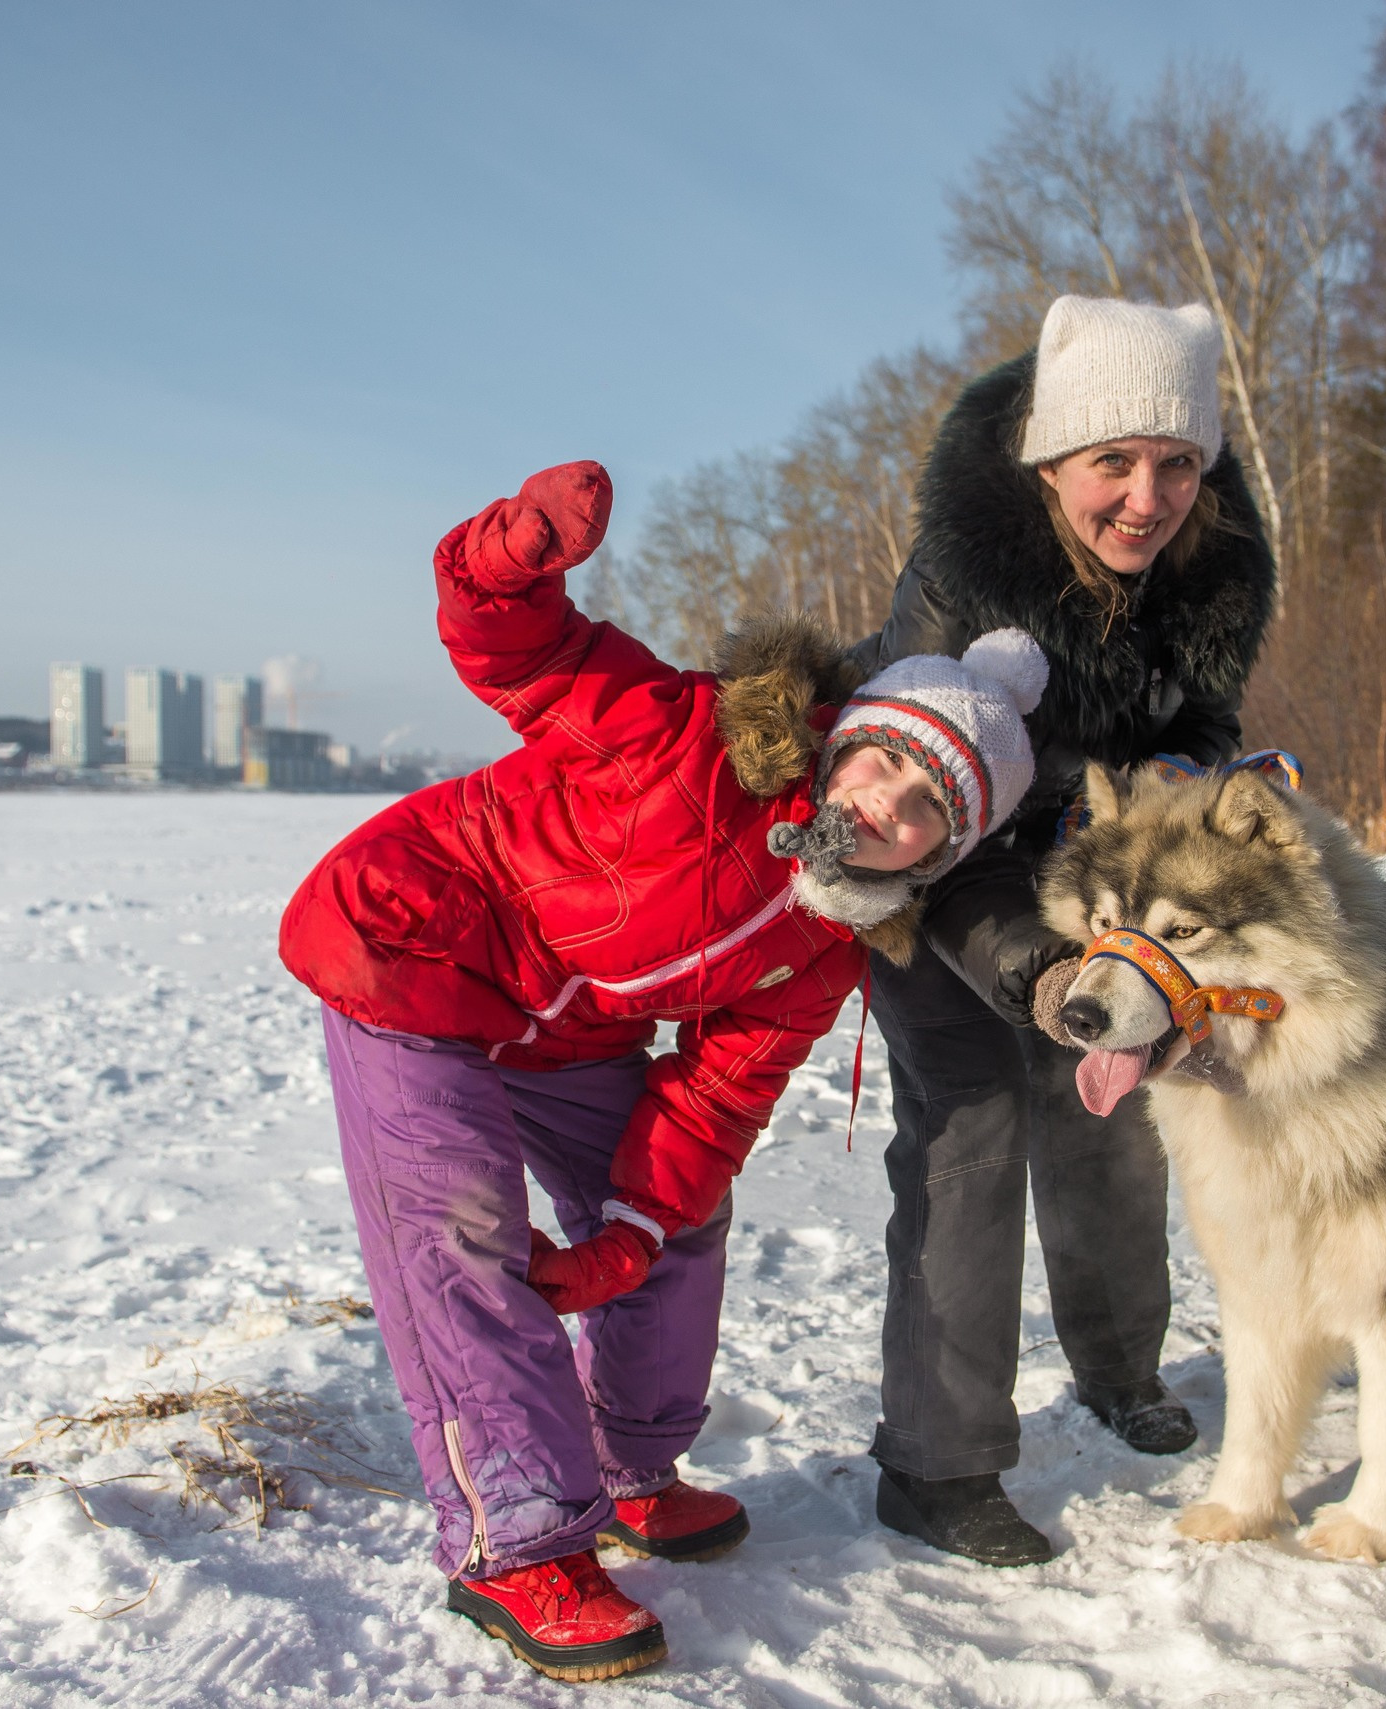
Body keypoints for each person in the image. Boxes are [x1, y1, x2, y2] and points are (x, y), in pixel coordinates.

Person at [278, 460, 1048, 1682]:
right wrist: (509, 554)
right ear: (842, 738)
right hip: (411, 950)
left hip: (564, 1030)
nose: (883, 805)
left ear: (940, 852)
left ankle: (631, 1463)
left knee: (675, 1217)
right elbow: (520, 652)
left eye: (924, 811)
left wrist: (623, 1237)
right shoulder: (680, 734)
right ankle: (519, 1538)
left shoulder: (825, 944)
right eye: (880, 763)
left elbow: (715, 1096)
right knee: (465, 1232)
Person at [845, 295, 1278, 1566]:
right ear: (1049, 463)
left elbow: (1199, 720)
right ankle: (936, 1464)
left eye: (1177, 464)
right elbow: (914, 821)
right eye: (1114, 465)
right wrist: (1034, 967)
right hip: (935, 877)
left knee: (1111, 1113)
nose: (1147, 498)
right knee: (970, 1137)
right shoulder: (960, 576)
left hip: (1096, 882)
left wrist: (1187, 802)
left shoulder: (1206, 567)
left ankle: (1119, 1366)